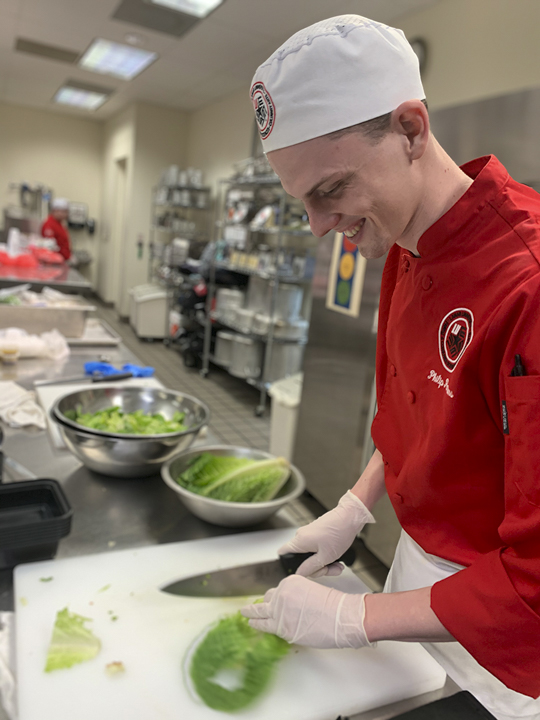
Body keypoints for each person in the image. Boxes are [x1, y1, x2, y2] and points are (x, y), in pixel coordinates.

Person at [240, 15, 540, 720]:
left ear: (410, 129)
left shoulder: (527, 286)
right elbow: (420, 415)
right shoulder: (404, 243)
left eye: (330, 190)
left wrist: (357, 619)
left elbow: (534, 584)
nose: (318, 226)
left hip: (504, 643)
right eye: (302, 200)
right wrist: (355, 504)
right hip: (416, 582)